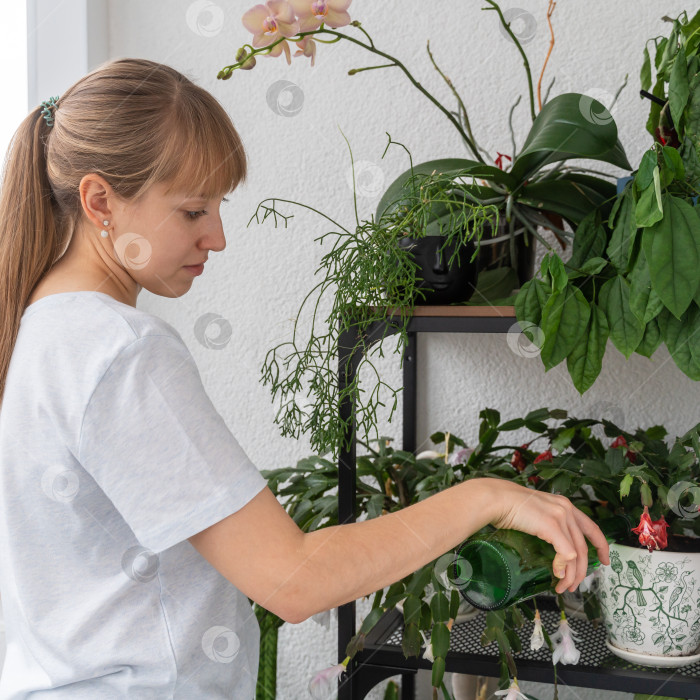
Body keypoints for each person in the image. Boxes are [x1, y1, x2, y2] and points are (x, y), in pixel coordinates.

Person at [0, 57, 610, 699]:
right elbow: (293, 582)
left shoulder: (41, 330)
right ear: (100, 201)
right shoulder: (119, 350)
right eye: (191, 211)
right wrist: (486, 496)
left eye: (218, 207)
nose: (218, 237)